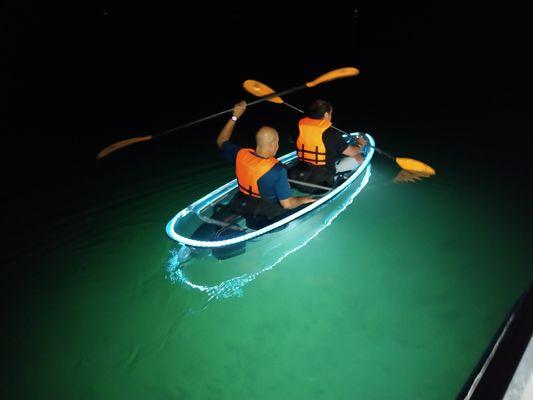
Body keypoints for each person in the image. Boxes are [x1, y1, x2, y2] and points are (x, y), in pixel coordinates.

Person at [216, 100, 316, 229]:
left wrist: (235, 116)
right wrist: (304, 199)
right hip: (268, 215)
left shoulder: (239, 154)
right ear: (273, 144)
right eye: (278, 142)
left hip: (244, 206)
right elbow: (288, 204)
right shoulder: (277, 170)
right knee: (307, 202)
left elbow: (221, 140)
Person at [289, 99, 369, 192]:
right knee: (359, 157)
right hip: (322, 183)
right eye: (331, 113)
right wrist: (360, 144)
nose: (331, 116)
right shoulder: (332, 134)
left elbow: (291, 140)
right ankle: (337, 179)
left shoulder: (297, 130)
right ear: (326, 115)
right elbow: (352, 152)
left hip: (300, 174)